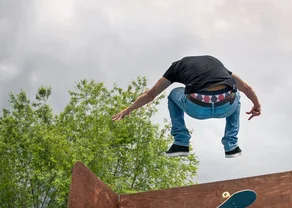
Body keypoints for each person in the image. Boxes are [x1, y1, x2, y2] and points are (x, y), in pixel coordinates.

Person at [111, 55, 261, 158]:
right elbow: (247, 88)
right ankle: (231, 145)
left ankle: (181, 142)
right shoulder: (219, 66)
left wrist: (127, 110)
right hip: (225, 106)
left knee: (173, 93)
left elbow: (151, 95)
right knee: (237, 94)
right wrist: (256, 105)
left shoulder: (175, 68)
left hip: (197, 107)